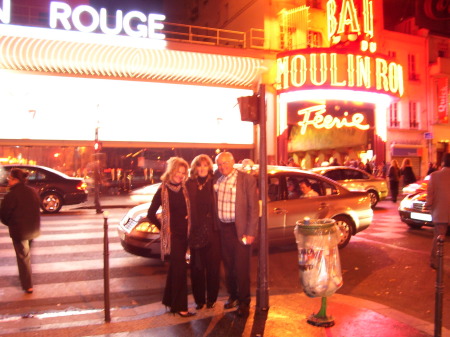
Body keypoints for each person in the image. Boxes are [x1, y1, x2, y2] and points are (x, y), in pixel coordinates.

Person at [146, 157, 196, 317]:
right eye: (178, 172)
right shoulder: (163, 190)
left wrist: (190, 216)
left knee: (176, 269)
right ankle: (181, 307)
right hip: (173, 238)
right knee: (180, 271)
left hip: (185, 235)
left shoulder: (185, 188)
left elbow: (191, 206)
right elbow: (150, 214)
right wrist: (164, 229)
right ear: (171, 171)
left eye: (183, 173)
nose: (180, 176)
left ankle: (169, 301)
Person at [214, 152, 259, 317]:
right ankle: (233, 296)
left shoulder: (246, 179)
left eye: (225, 163)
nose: (222, 166)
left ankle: (244, 302)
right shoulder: (217, 180)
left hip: (239, 230)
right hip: (223, 229)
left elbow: (254, 208)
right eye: (219, 164)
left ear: (233, 163)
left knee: (241, 268)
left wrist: (251, 232)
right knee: (228, 267)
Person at [185, 155, 221, 310]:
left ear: (209, 167)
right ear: (195, 168)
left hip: (212, 229)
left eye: (205, 165)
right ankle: (199, 300)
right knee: (197, 267)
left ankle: (211, 298)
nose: (202, 168)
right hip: (196, 229)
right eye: (199, 166)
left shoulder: (214, 182)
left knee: (213, 267)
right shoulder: (189, 183)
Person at [0, 168, 41, 294]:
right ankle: (27, 280)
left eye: (10, 178)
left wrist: (11, 224)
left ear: (15, 179)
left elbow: (4, 214)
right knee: (26, 256)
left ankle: (28, 285)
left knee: (23, 257)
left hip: (20, 231)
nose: (8, 180)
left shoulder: (11, 195)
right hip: (32, 229)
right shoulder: (32, 191)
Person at [425, 153, 450, 269]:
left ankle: (434, 260)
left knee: (439, 237)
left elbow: (430, 196)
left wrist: (429, 206)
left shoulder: (434, 176)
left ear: (443, 162)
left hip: (440, 213)